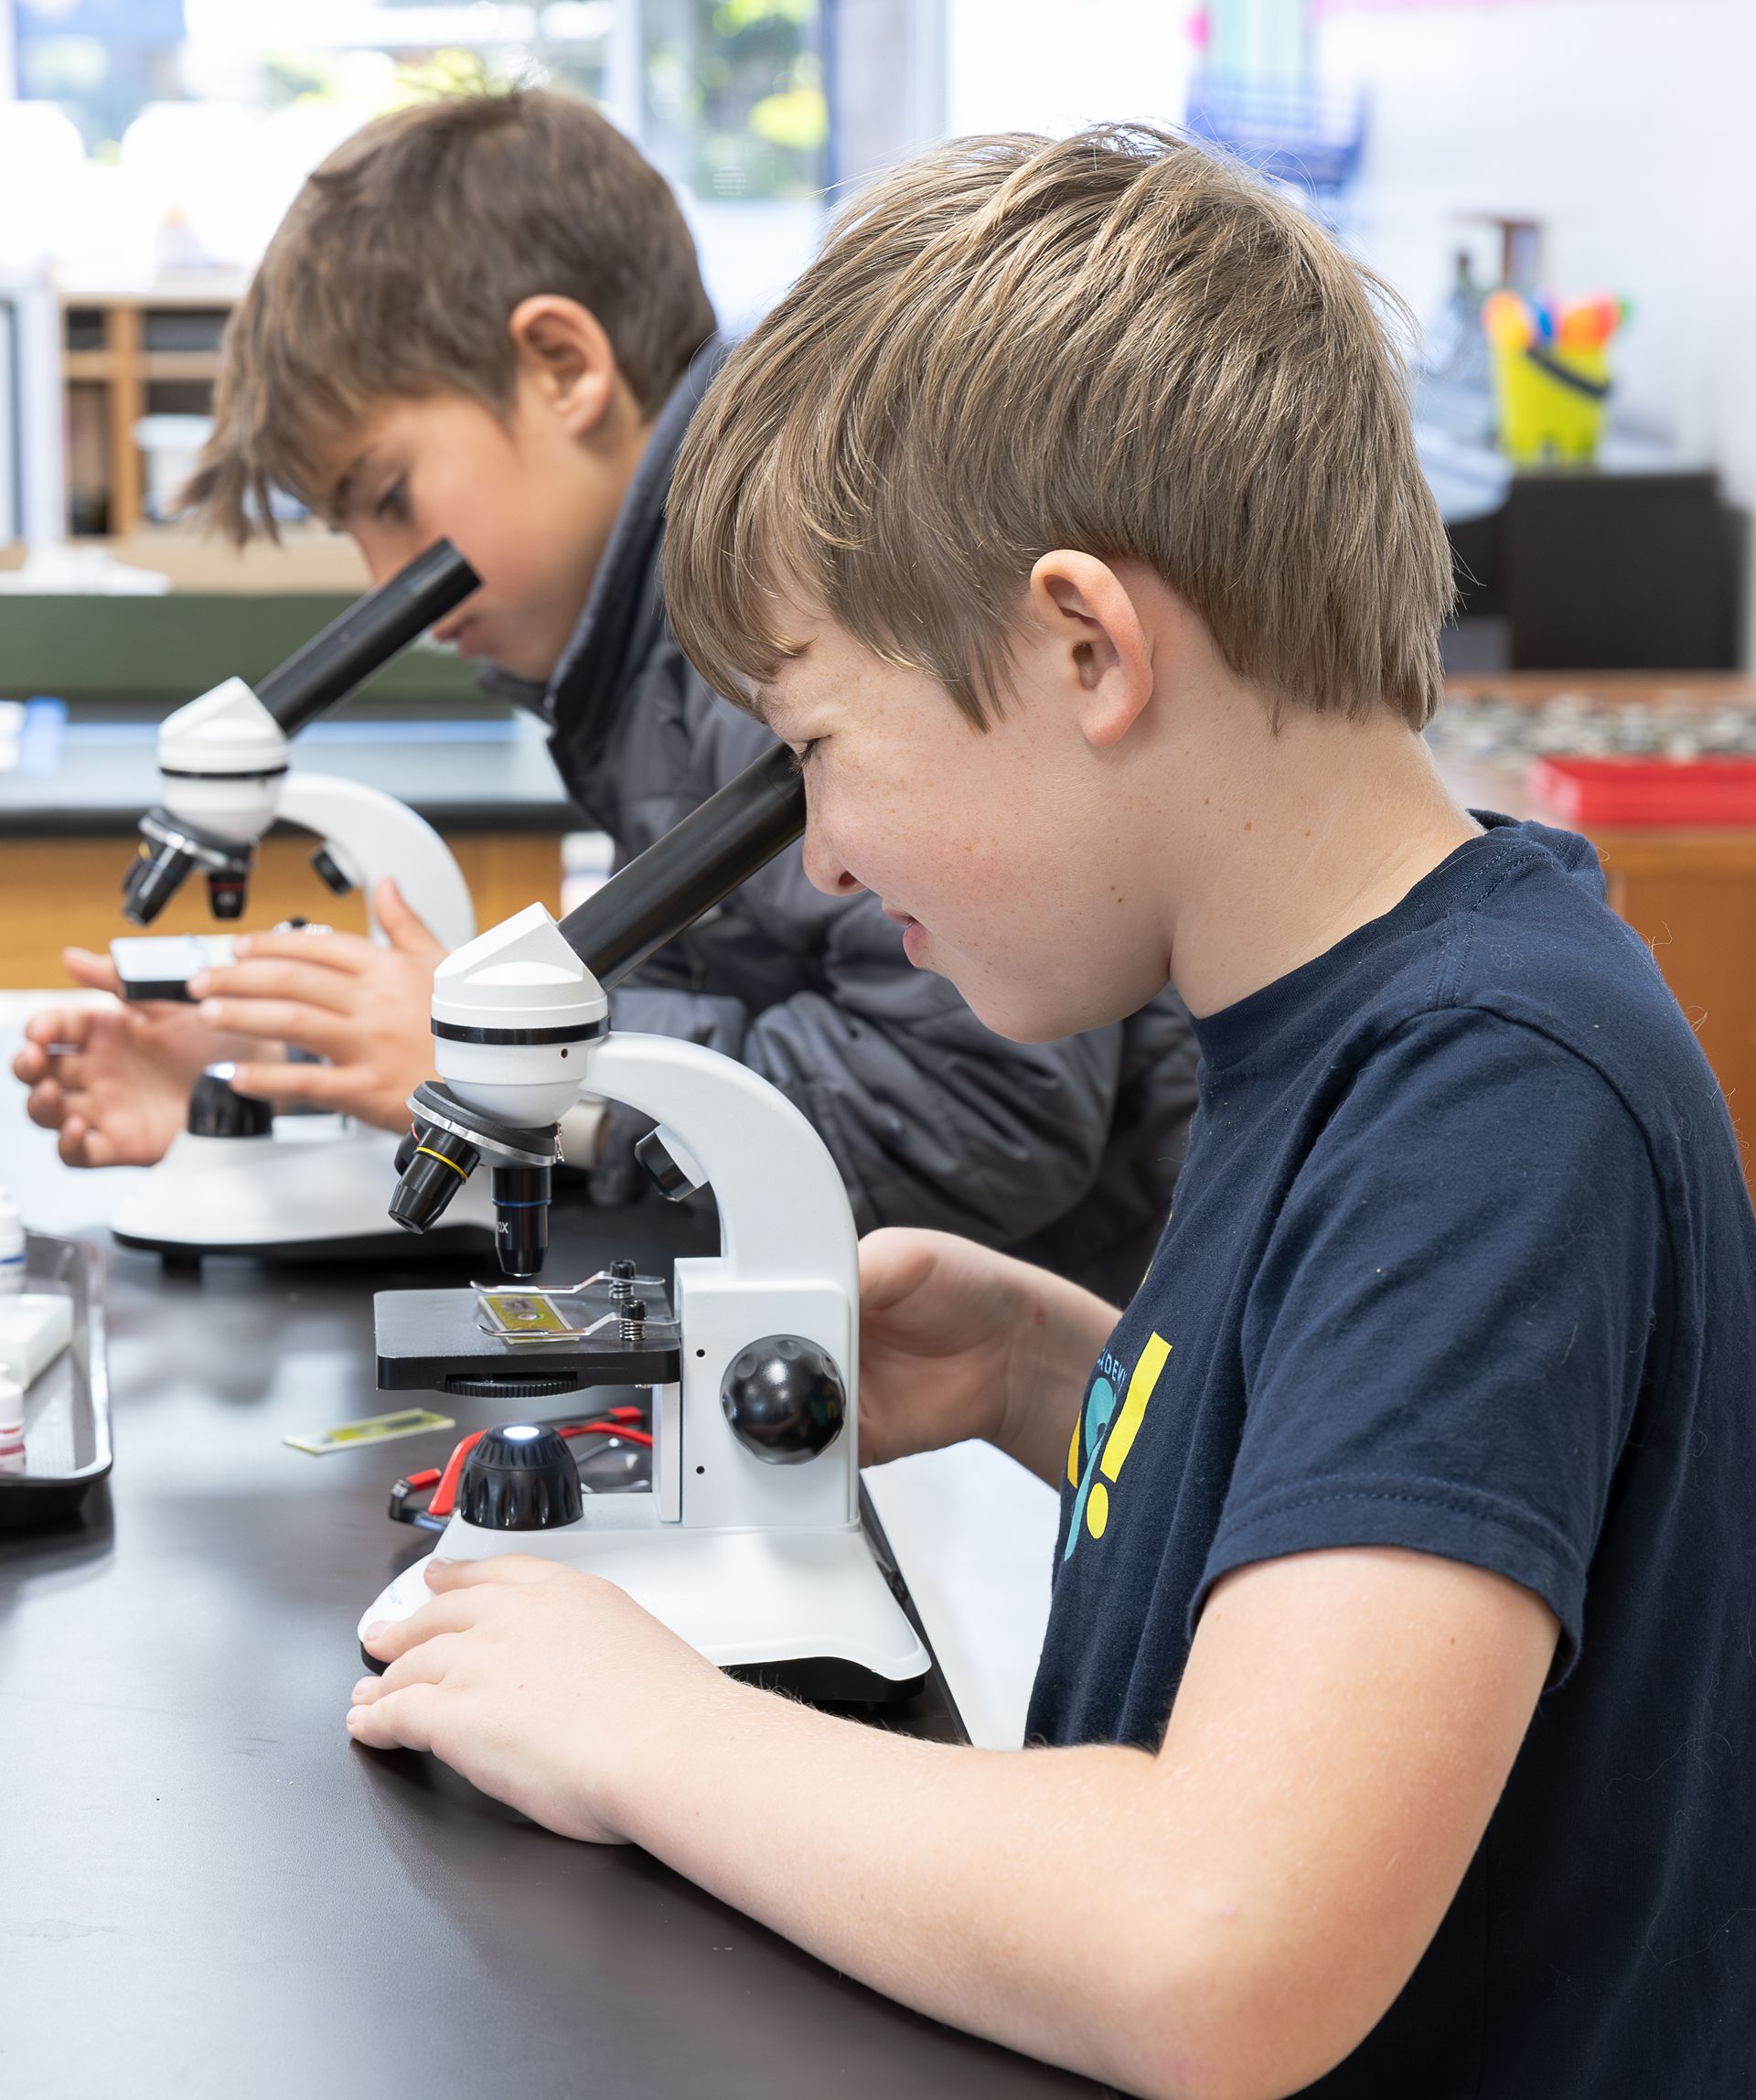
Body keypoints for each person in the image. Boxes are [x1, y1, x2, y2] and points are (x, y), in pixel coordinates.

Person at [345, 128, 1756, 2097]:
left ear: (1087, 647)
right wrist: (1061, 1375)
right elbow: (1387, 1497)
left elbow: (1218, 1943)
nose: (824, 856)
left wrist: (645, 1727)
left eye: (820, 746)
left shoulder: (1496, 1096)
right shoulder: (1372, 1017)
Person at [11, 91, 1193, 1297]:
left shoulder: (765, 618)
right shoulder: (643, 658)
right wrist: (310, 1071)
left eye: (391, 498)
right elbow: (737, 1008)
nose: (384, 577)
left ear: (563, 367)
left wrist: (523, 1073)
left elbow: (982, 1106)